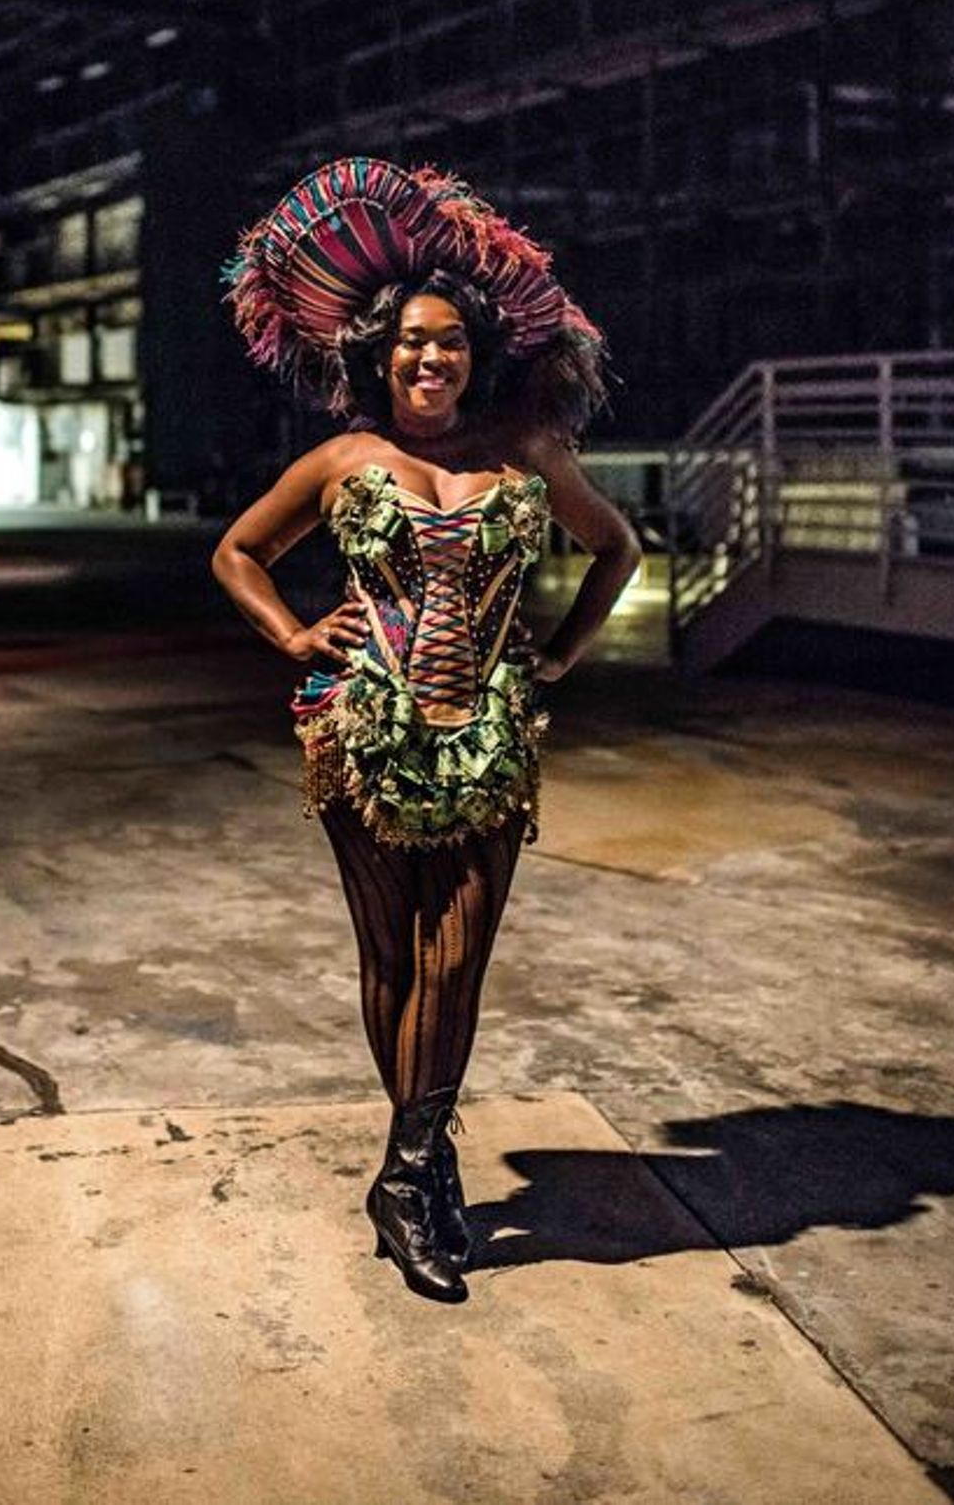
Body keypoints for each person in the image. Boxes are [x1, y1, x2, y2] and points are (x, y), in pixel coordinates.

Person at [212, 157, 641, 1303]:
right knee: (392, 957)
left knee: (458, 958)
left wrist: (553, 657)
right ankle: (420, 1167)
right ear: (377, 354)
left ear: (474, 353)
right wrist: (296, 639)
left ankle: (405, 1174)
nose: (429, 357)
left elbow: (615, 550)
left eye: (448, 340)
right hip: (362, 731)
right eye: (409, 342)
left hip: (488, 738)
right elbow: (236, 552)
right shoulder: (343, 461)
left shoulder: (527, 456)